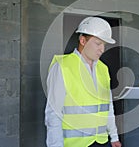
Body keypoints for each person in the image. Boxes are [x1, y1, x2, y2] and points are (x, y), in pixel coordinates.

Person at [45, 17, 122, 147]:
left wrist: (113, 136)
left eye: (104, 44)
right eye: (98, 43)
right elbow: (54, 113)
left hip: (102, 142)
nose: (102, 49)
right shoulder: (62, 66)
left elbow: (108, 106)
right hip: (75, 144)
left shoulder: (103, 69)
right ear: (82, 41)